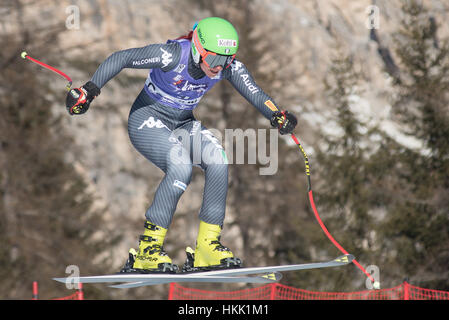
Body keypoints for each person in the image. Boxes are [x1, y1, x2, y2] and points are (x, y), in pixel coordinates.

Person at [66, 17, 297, 273]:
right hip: (147, 118)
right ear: (199, 48)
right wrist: (89, 90)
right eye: (214, 60)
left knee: (218, 161)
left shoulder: (225, 66)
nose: (219, 67)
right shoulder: (172, 55)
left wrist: (277, 114)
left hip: (183, 123)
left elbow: (253, 91)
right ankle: (147, 251)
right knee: (180, 167)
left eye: (227, 60)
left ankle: (207, 247)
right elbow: (121, 58)